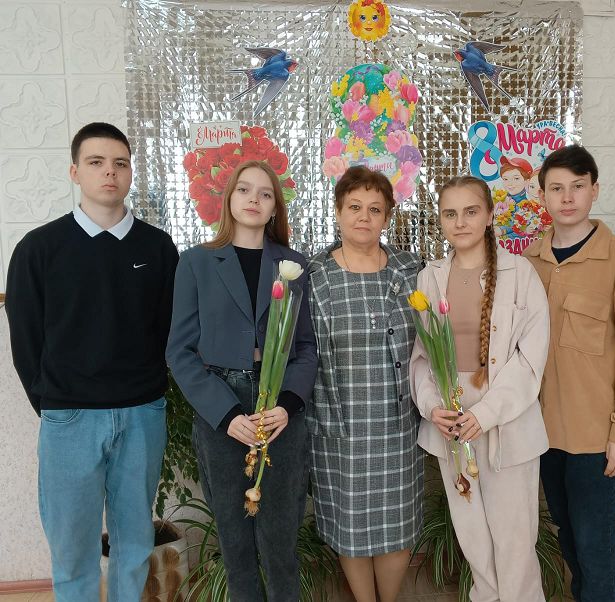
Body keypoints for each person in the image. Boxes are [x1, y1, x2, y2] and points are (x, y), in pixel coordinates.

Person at [5, 122, 178, 601]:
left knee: (134, 544)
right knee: (73, 549)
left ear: (131, 173)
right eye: (97, 162)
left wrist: (150, 391)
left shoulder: (158, 248)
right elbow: (26, 341)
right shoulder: (38, 249)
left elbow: (169, 332)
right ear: (75, 172)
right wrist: (55, 403)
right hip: (69, 418)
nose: (110, 172)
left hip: (142, 414)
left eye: (120, 163)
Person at [166, 159, 317, 601]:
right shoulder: (196, 262)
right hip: (222, 405)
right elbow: (180, 351)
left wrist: (287, 407)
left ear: (275, 208)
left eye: (265, 194)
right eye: (245, 190)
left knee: (280, 541)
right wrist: (227, 414)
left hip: (279, 411)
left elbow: (306, 347)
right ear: (229, 199)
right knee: (234, 541)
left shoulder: (293, 265)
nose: (254, 199)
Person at [523, 145, 615, 601]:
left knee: (595, 544)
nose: (567, 198)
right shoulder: (530, 262)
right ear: (542, 195)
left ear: (594, 190)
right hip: (543, 434)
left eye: (577, 187)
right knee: (568, 537)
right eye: (557, 188)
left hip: (597, 437)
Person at [410, 175, 550, 602]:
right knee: (472, 536)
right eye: (450, 213)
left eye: (471, 211)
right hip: (451, 421)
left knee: (514, 540)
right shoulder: (430, 278)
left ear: (489, 215)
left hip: (506, 417)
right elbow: (421, 358)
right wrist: (432, 406)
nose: (460, 222)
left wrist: (484, 414)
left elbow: (530, 359)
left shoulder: (520, 274)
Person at [307, 166, 424, 602]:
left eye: (375, 209)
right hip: (340, 426)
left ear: (387, 217)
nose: (364, 216)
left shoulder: (411, 270)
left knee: (397, 525)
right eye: (354, 206)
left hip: (398, 424)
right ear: (338, 212)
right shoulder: (313, 275)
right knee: (350, 524)